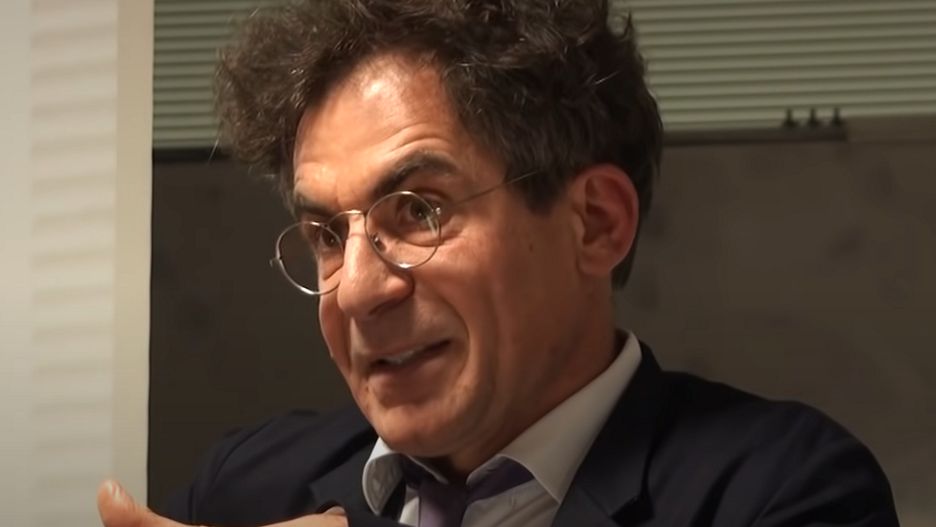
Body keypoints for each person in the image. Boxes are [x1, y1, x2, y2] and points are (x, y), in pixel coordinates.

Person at [98, 0, 899, 526]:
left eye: (418, 210)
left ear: (595, 223)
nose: (358, 291)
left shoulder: (784, 491)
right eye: (327, 234)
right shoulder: (246, 483)